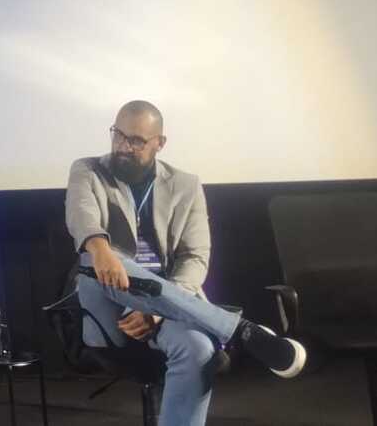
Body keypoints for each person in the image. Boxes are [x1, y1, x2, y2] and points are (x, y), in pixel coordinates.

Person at [66, 100, 307, 426]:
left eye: (136, 140)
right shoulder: (88, 170)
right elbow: (81, 214)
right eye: (118, 135)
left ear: (160, 143)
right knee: (94, 258)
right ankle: (238, 329)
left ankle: (228, 331)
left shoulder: (185, 185)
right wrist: (101, 248)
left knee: (198, 349)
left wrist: (157, 309)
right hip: (108, 298)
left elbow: (195, 256)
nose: (123, 146)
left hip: (170, 302)